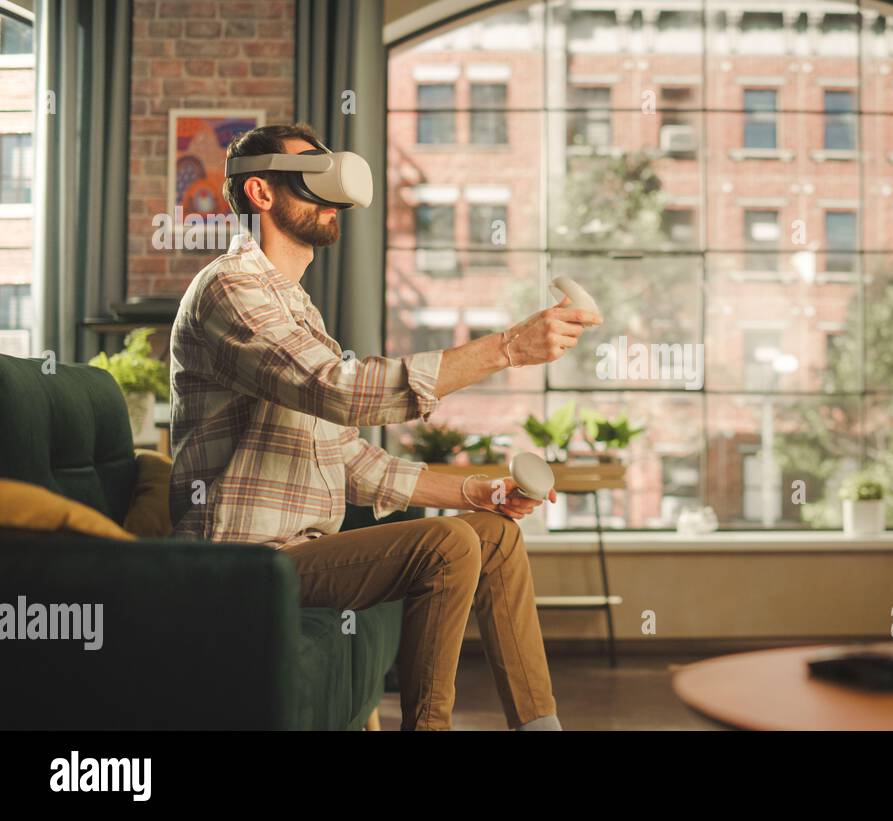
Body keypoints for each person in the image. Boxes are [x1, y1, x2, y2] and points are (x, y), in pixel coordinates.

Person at [168, 123, 600, 730]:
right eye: (312, 179)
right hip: (240, 564)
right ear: (261, 193)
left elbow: (349, 457)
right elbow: (339, 389)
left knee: (492, 533)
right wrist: (507, 348)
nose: (334, 198)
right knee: (447, 544)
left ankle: (540, 728)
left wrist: (474, 491)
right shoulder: (229, 289)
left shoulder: (295, 307)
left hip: (303, 550)